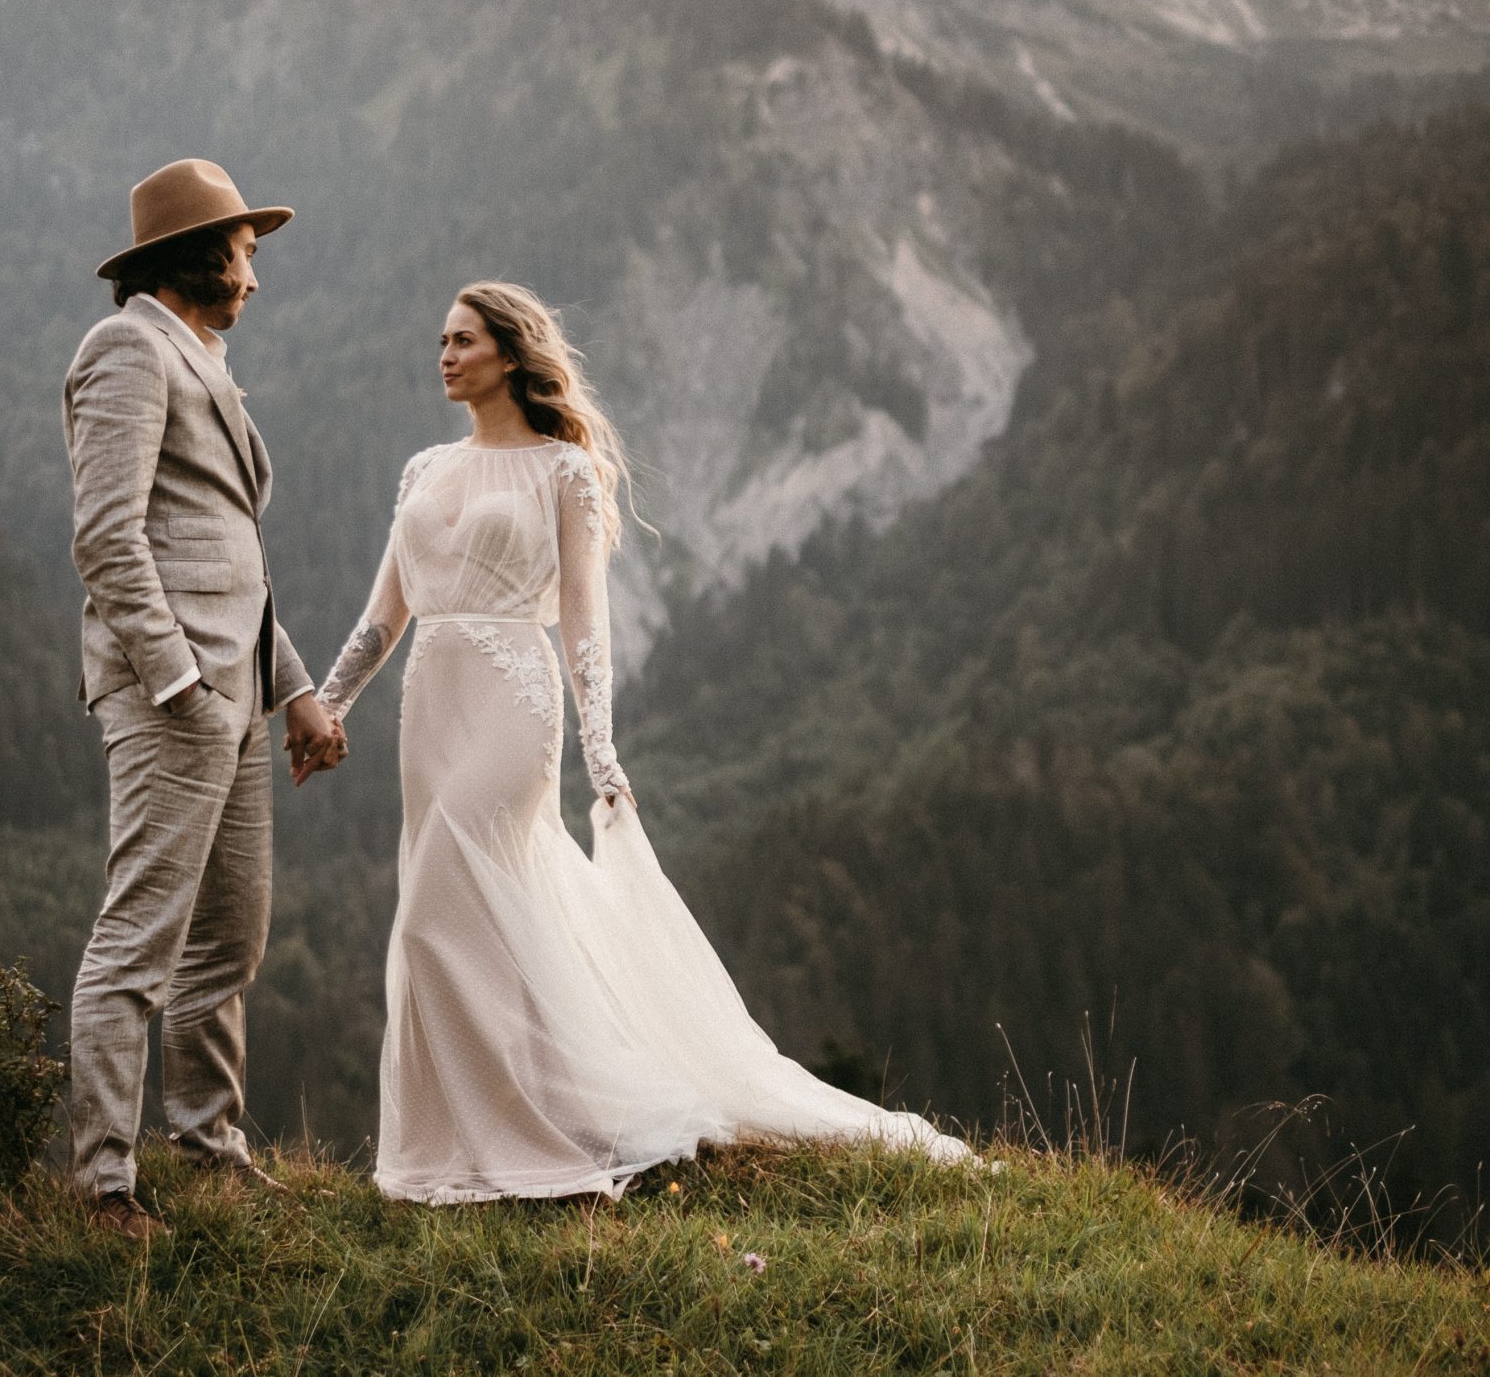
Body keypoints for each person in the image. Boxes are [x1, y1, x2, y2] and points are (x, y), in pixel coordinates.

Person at [313, 281, 975, 1203]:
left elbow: (586, 618)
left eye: (464, 340)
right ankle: (487, 1127)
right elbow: (383, 615)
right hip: (430, 707)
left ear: (510, 353)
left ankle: (535, 1135)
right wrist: (327, 704)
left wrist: (601, 747)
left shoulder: (563, 470)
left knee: (433, 910)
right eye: (441, 341)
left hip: (513, 698)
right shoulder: (424, 470)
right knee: (478, 917)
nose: (446, 355)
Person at [60, 157, 347, 1240]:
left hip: (234, 694)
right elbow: (108, 539)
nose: (255, 280)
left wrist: (296, 691)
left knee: (230, 936)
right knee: (138, 938)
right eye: (244, 257)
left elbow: (230, 558)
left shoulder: (198, 357)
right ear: (196, 259)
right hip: (171, 697)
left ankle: (208, 1143)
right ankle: (103, 1186)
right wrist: (178, 680)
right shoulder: (127, 348)